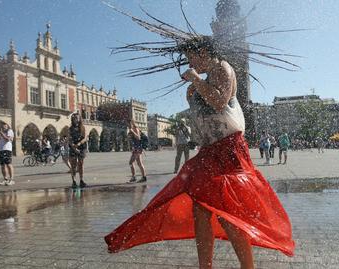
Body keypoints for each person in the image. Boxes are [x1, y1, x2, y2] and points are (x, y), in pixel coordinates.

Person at [105, 35, 294, 269]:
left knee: (228, 213)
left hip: (228, 151)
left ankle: (248, 267)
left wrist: (195, 79)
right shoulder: (202, 80)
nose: (190, 64)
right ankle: (205, 266)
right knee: (200, 208)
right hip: (209, 152)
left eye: (191, 57)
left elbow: (219, 101)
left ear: (203, 52)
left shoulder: (223, 68)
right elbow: (202, 121)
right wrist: (194, 93)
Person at [68, 113, 88, 188]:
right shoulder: (70, 129)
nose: (76, 119)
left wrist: (79, 144)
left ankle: (81, 180)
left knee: (81, 164)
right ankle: (74, 181)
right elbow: (69, 139)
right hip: (73, 147)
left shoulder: (83, 127)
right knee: (73, 165)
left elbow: (85, 137)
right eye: (74, 118)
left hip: (82, 146)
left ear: (80, 119)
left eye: (77, 118)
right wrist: (74, 147)